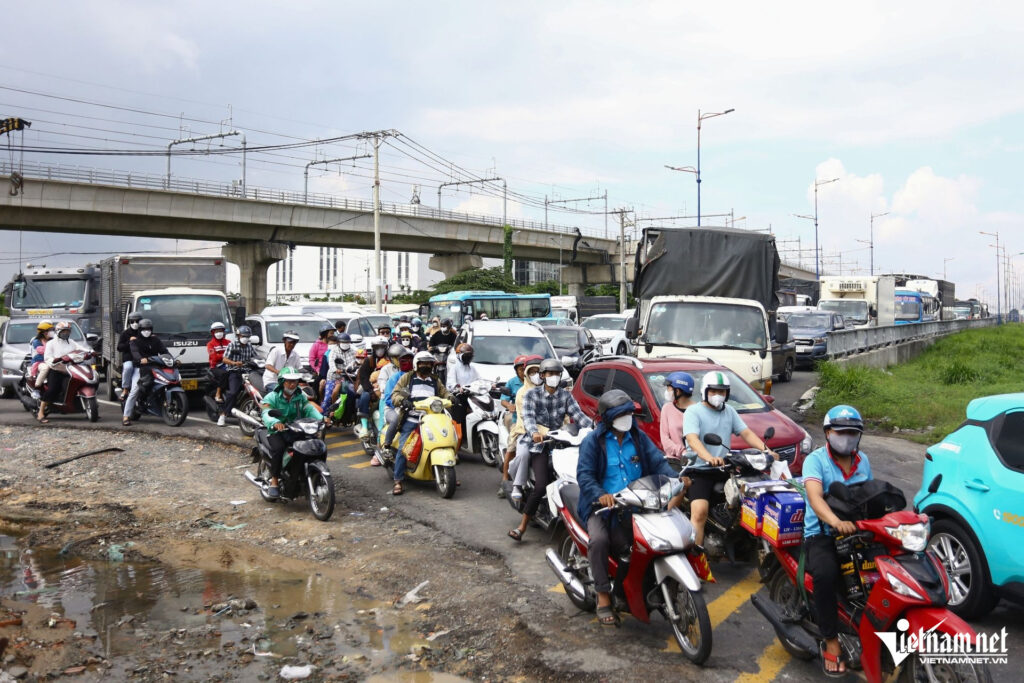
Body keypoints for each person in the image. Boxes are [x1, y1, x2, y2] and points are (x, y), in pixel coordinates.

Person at [576, 389, 681, 625]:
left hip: (639, 503)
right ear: (607, 418)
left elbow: (657, 462)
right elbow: (584, 476)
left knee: (649, 544)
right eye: (621, 414)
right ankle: (604, 596)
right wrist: (601, 495)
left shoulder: (639, 437)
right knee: (601, 541)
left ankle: (638, 589)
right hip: (602, 508)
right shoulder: (593, 442)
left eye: (629, 413)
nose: (627, 418)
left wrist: (676, 478)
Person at [802, 405, 872, 676]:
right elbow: (815, 497)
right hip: (822, 534)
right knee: (827, 575)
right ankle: (830, 640)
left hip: (855, 532)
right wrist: (835, 522)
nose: (847, 437)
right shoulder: (815, 460)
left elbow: (870, 496)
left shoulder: (862, 460)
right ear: (828, 432)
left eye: (853, 432)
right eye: (841, 431)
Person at [682, 371, 778, 547]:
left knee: (750, 502)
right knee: (700, 512)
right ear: (705, 391)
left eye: (722, 391)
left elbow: (746, 433)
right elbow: (692, 439)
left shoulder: (730, 411)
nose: (718, 395)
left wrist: (767, 451)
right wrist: (709, 457)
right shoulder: (693, 412)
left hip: (725, 468)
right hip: (700, 470)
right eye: (713, 391)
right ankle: (695, 557)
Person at [508, 359, 593, 539]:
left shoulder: (565, 396)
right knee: (541, 486)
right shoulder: (531, 395)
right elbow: (529, 417)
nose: (553, 377)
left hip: (562, 444)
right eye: (549, 374)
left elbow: (578, 415)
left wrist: (595, 429)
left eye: (556, 374)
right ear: (542, 376)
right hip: (540, 444)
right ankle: (522, 526)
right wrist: (534, 433)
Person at [388, 351, 451, 495]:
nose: (426, 366)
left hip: (432, 419)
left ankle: (446, 471)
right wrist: (403, 401)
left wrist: (451, 397)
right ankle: (398, 480)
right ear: (417, 364)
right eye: (423, 363)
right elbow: (395, 395)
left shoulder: (435, 380)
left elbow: (444, 393)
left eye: (429, 363)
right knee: (404, 449)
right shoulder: (407, 378)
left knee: (446, 441)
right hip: (412, 420)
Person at [259, 367, 323, 499]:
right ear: (282, 382)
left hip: (296, 430)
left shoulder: (300, 397)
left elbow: (310, 410)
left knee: (313, 445)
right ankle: (275, 481)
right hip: (277, 431)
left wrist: (322, 420)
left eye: (294, 381)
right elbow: (266, 413)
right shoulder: (272, 397)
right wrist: (275, 422)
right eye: (289, 381)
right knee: (279, 449)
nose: (292, 384)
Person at [499, 355, 541, 497]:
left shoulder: (544, 386)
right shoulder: (516, 386)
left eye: (538, 371)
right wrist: (510, 405)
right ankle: (506, 479)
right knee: (512, 448)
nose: (523, 372)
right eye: (522, 369)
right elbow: (504, 401)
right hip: (520, 423)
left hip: (542, 428)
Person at [122, 319, 168, 426]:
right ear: (140, 330)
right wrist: (141, 359)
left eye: (148, 329)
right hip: (140, 369)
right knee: (135, 390)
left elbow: (164, 351)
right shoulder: (135, 341)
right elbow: (135, 353)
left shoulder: (155, 340)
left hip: (155, 368)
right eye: (144, 329)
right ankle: (126, 416)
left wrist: (170, 358)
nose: (146, 331)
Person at [216, 325, 258, 427]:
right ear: (238, 335)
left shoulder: (249, 346)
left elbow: (256, 357)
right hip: (234, 372)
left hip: (248, 372)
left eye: (247, 336)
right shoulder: (232, 345)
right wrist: (234, 363)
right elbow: (224, 359)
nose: (245, 338)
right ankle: (223, 415)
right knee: (233, 393)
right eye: (244, 336)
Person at [659, 371, 695, 463]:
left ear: (678, 391)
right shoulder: (667, 408)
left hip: (696, 461)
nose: (667, 391)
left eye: (668, 388)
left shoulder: (698, 410)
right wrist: (682, 452)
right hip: (675, 461)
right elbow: (665, 438)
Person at [356, 336, 390, 426]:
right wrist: (371, 391)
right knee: (365, 397)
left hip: (386, 388)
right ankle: (364, 426)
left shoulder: (390, 361)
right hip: (370, 388)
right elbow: (364, 378)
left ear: (386, 348)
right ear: (373, 348)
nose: (380, 349)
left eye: (382, 347)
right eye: (377, 347)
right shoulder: (369, 360)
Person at [115, 313, 143, 400]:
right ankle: (125, 389)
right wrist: (129, 342)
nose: (135, 323)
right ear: (129, 322)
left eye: (137, 321)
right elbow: (119, 347)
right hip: (129, 358)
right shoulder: (125, 333)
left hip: (142, 359)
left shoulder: (144, 332)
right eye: (132, 321)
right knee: (128, 368)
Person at [206, 321, 230, 403]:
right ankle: (218, 393)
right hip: (216, 367)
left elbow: (233, 353)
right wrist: (226, 355)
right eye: (217, 331)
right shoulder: (210, 344)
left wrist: (221, 354)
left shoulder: (229, 342)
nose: (219, 333)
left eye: (220, 331)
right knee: (224, 374)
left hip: (229, 365)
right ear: (213, 333)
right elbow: (214, 357)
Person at [29, 321, 54, 394]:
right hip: (39, 362)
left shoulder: (52, 340)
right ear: (44, 332)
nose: (52, 332)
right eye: (50, 330)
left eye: (52, 330)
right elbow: (41, 350)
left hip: (52, 360)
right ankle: (37, 387)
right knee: (45, 368)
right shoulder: (36, 341)